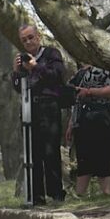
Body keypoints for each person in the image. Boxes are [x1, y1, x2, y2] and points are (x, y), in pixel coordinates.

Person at [12, 24, 71, 206]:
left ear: (38, 36)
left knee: (50, 152)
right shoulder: (23, 59)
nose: (28, 42)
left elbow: (58, 76)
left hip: (49, 108)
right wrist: (16, 71)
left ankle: (56, 194)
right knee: (32, 153)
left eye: (31, 37)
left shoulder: (51, 54)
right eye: (24, 40)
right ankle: (36, 197)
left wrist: (36, 67)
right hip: (30, 108)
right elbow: (17, 87)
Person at [68, 63, 110, 196]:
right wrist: (71, 124)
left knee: (103, 155)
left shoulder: (106, 67)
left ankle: (107, 192)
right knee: (83, 156)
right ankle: (80, 194)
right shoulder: (80, 72)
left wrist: (90, 91)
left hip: (103, 115)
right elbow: (75, 99)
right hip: (82, 118)